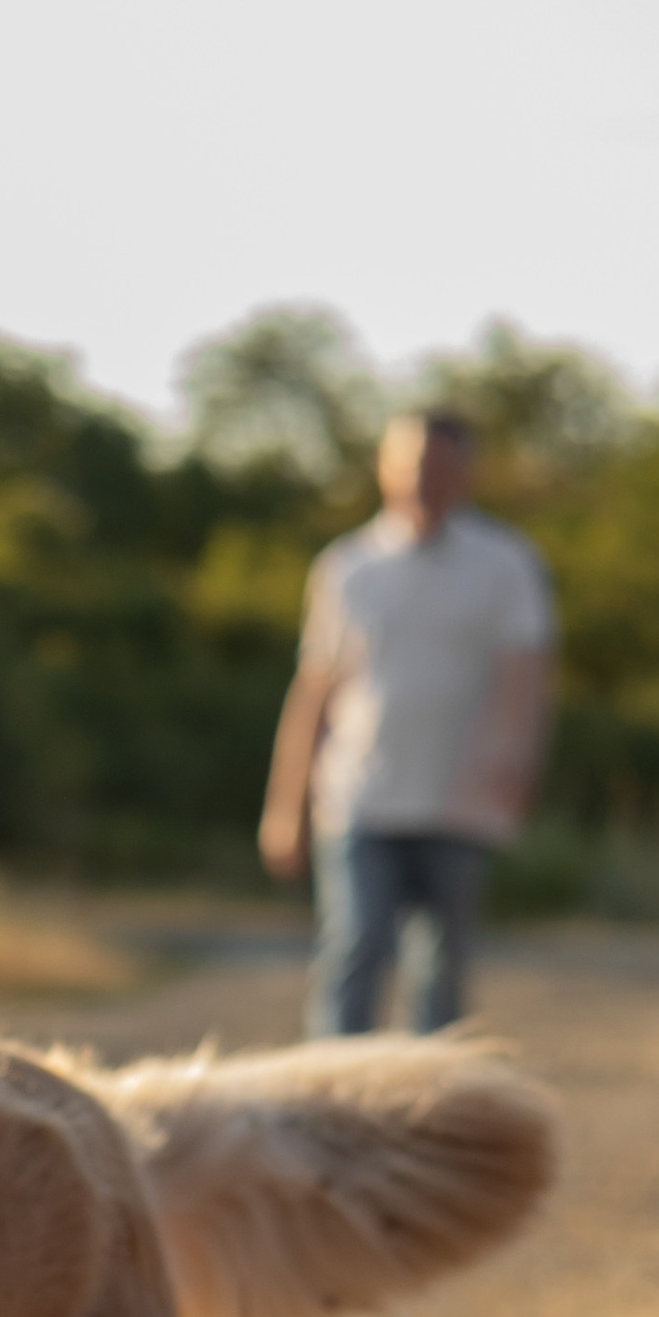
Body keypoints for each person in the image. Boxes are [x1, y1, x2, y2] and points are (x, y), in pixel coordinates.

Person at [259, 409, 556, 1035]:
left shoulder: (507, 564)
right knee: (356, 945)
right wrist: (285, 805)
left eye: (442, 465)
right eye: (414, 463)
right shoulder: (348, 566)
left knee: (441, 970)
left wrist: (521, 760)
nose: (426, 478)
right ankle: (334, 1085)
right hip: (360, 797)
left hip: (461, 800)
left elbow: (527, 676)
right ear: (386, 467)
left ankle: (432, 1092)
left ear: (467, 472)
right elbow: (315, 691)